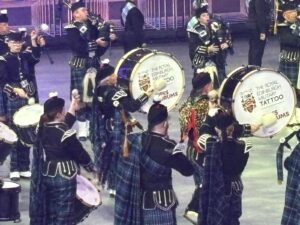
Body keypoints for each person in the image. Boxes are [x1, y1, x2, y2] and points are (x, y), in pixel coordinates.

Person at [115, 100, 194, 225]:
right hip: (162, 205)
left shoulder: (134, 139)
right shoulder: (169, 147)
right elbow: (188, 170)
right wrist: (183, 145)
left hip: (140, 203)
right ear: (165, 124)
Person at [29, 93, 95, 225]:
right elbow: (79, 153)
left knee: (51, 212)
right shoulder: (65, 133)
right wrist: (90, 167)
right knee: (64, 215)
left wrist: (72, 106)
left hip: (47, 174)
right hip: (65, 177)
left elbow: (63, 124)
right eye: (63, 110)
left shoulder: (42, 128)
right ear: (59, 114)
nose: (65, 112)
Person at [91, 61, 152, 196]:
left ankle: (110, 184)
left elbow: (118, 108)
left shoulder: (99, 90)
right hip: (116, 129)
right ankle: (115, 185)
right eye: (113, 75)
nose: (116, 76)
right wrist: (147, 94)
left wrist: (128, 118)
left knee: (109, 155)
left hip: (104, 127)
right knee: (118, 156)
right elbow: (131, 106)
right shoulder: (114, 92)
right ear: (107, 79)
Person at [65, 1, 116, 141]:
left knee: (94, 96)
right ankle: (82, 129)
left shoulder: (92, 26)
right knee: (80, 97)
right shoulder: (71, 28)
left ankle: (91, 125)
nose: (87, 12)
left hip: (95, 63)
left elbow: (100, 47)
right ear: (76, 14)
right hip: (81, 64)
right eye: (83, 10)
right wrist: (96, 43)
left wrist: (107, 40)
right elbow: (78, 47)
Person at [197, 108, 253, 225]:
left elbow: (204, 132)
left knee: (216, 218)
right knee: (233, 219)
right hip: (234, 187)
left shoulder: (211, 145)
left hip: (216, 186)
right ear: (232, 128)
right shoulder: (244, 146)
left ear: (216, 129)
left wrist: (209, 116)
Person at [0, 31, 42, 180]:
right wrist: (14, 89)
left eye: (19, 43)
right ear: (8, 43)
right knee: (15, 132)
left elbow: (36, 57)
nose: (17, 45)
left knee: (26, 132)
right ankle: (14, 168)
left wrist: (33, 41)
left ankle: (24, 166)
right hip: (13, 99)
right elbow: (2, 82)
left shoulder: (24, 56)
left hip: (28, 96)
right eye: (14, 42)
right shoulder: (3, 60)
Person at [179, 71, 213, 224]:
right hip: (202, 151)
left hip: (191, 149)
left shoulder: (189, 101)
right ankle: (194, 210)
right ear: (206, 86)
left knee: (200, 182)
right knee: (206, 183)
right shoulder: (206, 105)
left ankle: (201, 211)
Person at [277, 1, 300, 104]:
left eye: (295, 11)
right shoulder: (283, 27)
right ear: (285, 15)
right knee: (290, 83)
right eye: (292, 12)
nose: (295, 14)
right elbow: (290, 41)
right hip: (291, 58)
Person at [247, 0, 271, 66]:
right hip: (257, 29)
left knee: (253, 51)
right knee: (257, 52)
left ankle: (252, 69)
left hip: (253, 28)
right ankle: (256, 69)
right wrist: (262, 31)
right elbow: (260, 15)